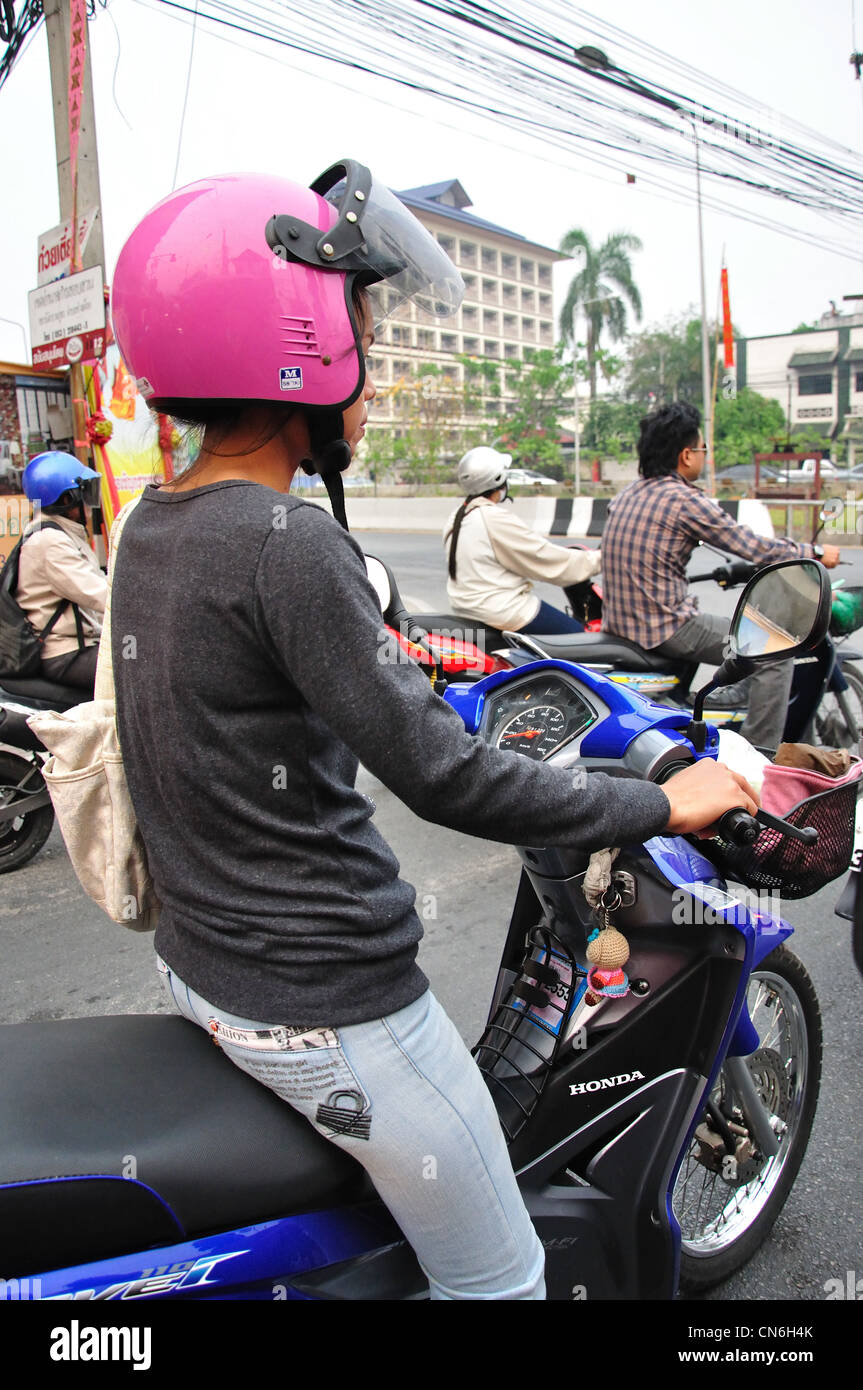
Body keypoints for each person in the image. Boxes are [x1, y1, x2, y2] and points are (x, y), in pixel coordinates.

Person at [108, 163, 758, 1301]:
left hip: (205, 972)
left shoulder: (152, 527)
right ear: (296, 337)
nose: (369, 362)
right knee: (499, 1281)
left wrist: (409, 675)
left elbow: (267, 694)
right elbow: (450, 780)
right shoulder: (286, 544)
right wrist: (665, 800)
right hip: (330, 1003)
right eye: (359, 322)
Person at [600, 402, 840, 750]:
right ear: (686, 455)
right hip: (666, 626)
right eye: (703, 449)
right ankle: (761, 756)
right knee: (776, 650)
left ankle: (739, 699)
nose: (705, 456)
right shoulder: (683, 500)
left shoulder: (627, 494)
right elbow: (752, 546)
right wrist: (814, 553)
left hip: (621, 622)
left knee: (748, 644)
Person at [443, 446, 601, 635]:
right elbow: (545, 559)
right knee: (579, 639)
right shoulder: (492, 519)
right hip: (502, 610)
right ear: (499, 479)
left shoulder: (458, 517)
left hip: (468, 608)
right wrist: (601, 559)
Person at [17, 451, 107, 692]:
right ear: (67, 500)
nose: (89, 501)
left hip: (81, 645)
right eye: (85, 491)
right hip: (66, 654)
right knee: (143, 663)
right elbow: (100, 595)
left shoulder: (60, 532)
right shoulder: (49, 542)